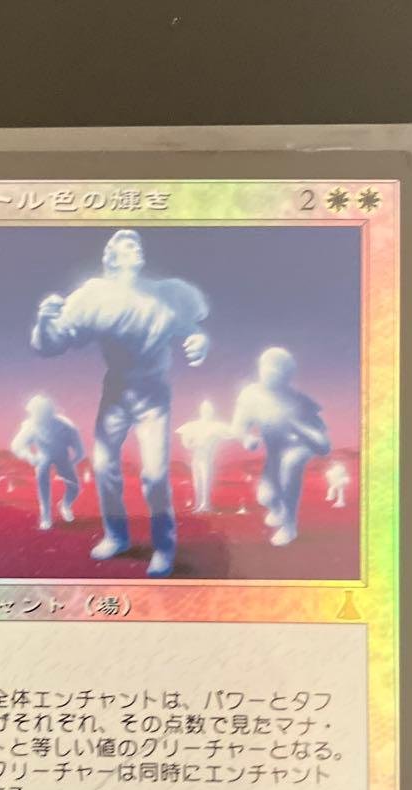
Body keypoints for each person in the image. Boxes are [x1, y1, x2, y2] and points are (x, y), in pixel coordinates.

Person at [30, 229, 209, 577]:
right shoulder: (94, 296)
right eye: (127, 246)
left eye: (137, 245)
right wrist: (43, 321)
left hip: (153, 395)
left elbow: (190, 328)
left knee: (155, 475)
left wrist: (199, 341)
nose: (135, 249)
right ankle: (116, 535)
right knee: (103, 466)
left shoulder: (165, 295)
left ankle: (164, 547)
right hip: (116, 391)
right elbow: (51, 344)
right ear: (111, 259)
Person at [231, 346, 330, 546]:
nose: (270, 374)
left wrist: (298, 426)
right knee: (266, 497)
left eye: (277, 371)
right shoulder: (250, 395)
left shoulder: (299, 401)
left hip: (299, 446)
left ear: (287, 376)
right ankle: (277, 508)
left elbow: (323, 444)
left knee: (290, 464)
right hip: (275, 451)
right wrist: (246, 438)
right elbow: (238, 427)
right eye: (266, 368)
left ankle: (289, 526)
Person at [10, 394, 85, 530]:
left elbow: (79, 448)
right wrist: (29, 456)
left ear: (49, 411)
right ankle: (46, 516)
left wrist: (74, 461)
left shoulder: (65, 426)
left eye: (40, 412)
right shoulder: (30, 425)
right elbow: (17, 445)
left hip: (62, 457)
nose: (36, 416)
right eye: (34, 412)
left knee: (75, 487)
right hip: (43, 456)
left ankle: (65, 505)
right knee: (42, 481)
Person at [176, 400, 232, 512]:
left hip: (207, 458)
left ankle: (205, 504)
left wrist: (214, 438)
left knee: (206, 480)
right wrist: (190, 444)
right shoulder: (193, 425)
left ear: (212, 411)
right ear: (200, 410)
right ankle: (198, 504)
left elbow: (231, 433)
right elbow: (185, 440)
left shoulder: (217, 426)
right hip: (196, 456)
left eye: (209, 409)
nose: (206, 411)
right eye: (204, 409)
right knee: (197, 481)